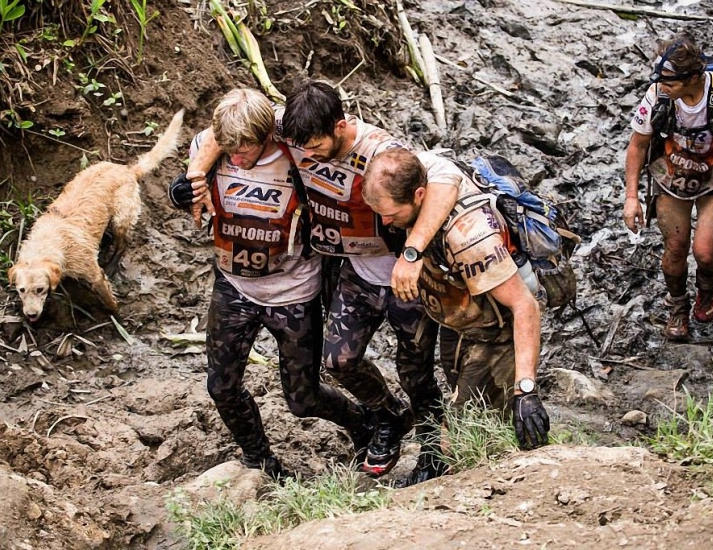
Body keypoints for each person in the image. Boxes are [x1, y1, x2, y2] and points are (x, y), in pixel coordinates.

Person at [185, 81, 460, 480]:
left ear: (339, 127)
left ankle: (434, 452)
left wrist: (413, 252)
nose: (306, 156)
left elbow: (446, 175)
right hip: (354, 271)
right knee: (339, 361)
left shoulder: (382, 153)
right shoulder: (289, 129)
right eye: (301, 149)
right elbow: (225, 130)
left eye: (314, 148)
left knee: (415, 372)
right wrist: (194, 174)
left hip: (402, 275)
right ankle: (385, 415)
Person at [168, 88, 374, 478]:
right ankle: (259, 459)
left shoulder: (298, 151)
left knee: (303, 398)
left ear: (266, 136)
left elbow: (341, 147)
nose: (237, 159)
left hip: (294, 291)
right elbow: (206, 152)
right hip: (234, 286)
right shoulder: (211, 147)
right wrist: (185, 186)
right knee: (221, 387)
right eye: (229, 151)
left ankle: (362, 424)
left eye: (244, 151)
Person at [362, 148, 550, 483]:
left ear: (419, 195)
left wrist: (527, 388)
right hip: (460, 320)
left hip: (496, 331)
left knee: (463, 426)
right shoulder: (423, 173)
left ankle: (514, 478)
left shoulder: (471, 238)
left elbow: (525, 306)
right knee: (471, 405)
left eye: (390, 214)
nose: (385, 222)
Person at [624, 37, 713, 340]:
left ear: (693, 78)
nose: (662, 86)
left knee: (707, 252)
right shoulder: (656, 95)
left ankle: (707, 290)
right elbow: (637, 145)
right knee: (675, 247)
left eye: (669, 81)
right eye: (659, 79)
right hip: (670, 175)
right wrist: (631, 198)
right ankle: (678, 306)